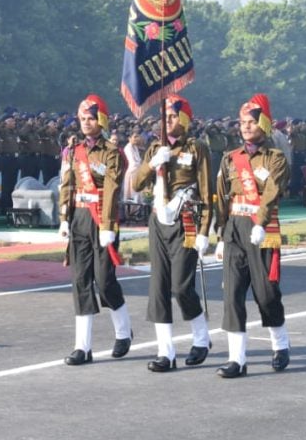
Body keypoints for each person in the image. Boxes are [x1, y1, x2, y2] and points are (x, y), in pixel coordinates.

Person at [131, 95, 213, 372]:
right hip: (159, 221)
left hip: (186, 220)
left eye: (173, 117)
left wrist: (205, 231)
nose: (167, 122)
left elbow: (206, 190)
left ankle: (201, 338)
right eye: (164, 117)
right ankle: (165, 352)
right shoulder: (155, 146)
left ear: (186, 119)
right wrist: (152, 163)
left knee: (181, 286)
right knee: (158, 287)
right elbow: (136, 182)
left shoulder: (197, 148)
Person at [214, 93, 290, 378]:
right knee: (232, 294)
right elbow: (222, 197)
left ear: (265, 124)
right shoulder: (230, 159)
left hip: (263, 230)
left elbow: (271, 191)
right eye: (242, 122)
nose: (245, 127)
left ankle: (280, 344)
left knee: (266, 294)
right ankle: (237, 360)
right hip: (235, 228)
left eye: (251, 122)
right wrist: (220, 234)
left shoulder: (276, 158)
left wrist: (260, 221)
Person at [57, 94, 131, 365]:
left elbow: (111, 188)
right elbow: (67, 185)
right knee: (80, 280)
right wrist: (64, 218)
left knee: (104, 280)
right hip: (79, 218)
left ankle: (123, 332)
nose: (86, 123)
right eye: (82, 119)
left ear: (101, 120)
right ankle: (82, 347)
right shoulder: (73, 151)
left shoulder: (112, 153)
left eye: (91, 118)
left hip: (102, 219)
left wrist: (109, 225)